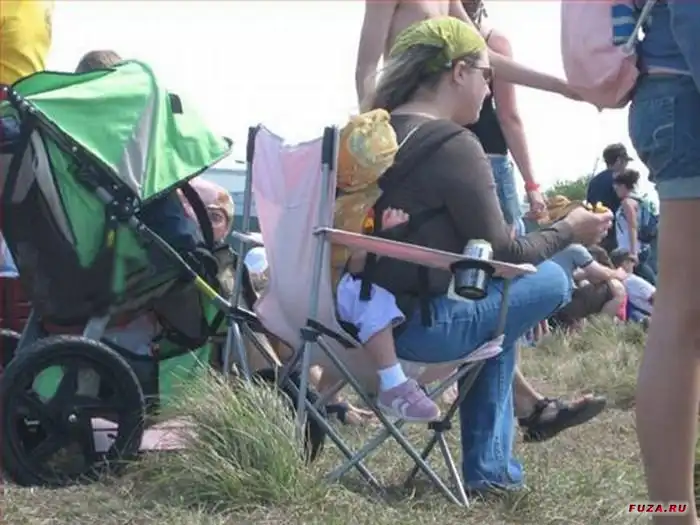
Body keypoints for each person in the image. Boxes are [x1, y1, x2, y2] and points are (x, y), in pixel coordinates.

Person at [362, 17, 612, 492]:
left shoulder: (369, 135)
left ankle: (501, 458)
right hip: (418, 332)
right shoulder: (453, 145)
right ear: (459, 72)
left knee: (500, 310)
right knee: (550, 279)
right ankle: (492, 468)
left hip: (348, 328)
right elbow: (506, 253)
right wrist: (569, 230)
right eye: (486, 75)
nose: (488, 90)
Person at [626, 1, 700, 521]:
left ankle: (672, 514)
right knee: (681, 315)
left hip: (674, 90)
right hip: (686, 91)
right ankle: (673, 516)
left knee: (680, 314)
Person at [355, 0, 580, 110]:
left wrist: (561, 86)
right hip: (402, 110)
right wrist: (371, 127)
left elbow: (485, 57)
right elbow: (367, 66)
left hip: (441, 117)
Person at [337, 208, 441, 422]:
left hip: (302, 296)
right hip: (327, 292)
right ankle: (393, 383)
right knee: (375, 299)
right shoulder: (345, 204)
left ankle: (328, 396)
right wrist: (388, 235)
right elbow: (354, 264)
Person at [463, 0, 546, 232]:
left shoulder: (432, 33)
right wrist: (531, 185)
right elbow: (508, 116)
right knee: (506, 244)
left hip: (440, 151)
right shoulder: (494, 42)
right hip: (489, 156)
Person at [586, 143, 633, 252]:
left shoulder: (594, 181)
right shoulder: (620, 181)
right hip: (616, 237)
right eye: (625, 161)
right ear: (619, 160)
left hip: (596, 234)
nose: (626, 165)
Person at [612, 169, 657, 285]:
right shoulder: (639, 201)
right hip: (641, 245)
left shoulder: (627, 203)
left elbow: (632, 226)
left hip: (631, 247)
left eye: (617, 187)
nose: (615, 189)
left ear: (623, 186)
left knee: (640, 278)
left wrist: (633, 252)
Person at [610, 248, 654, 324]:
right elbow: (656, 297)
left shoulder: (612, 280)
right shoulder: (632, 280)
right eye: (632, 261)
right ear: (625, 263)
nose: (633, 264)